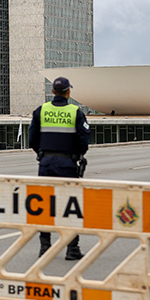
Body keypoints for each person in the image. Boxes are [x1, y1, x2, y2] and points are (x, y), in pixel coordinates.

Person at [29, 76, 90, 259]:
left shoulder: (41, 110)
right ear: (68, 92)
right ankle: (72, 249)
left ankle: (45, 247)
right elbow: (83, 141)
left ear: (53, 92)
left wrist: (43, 153)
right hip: (67, 164)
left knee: (45, 205)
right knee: (70, 206)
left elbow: (32, 139)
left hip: (46, 163)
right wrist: (76, 155)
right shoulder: (75, 112)